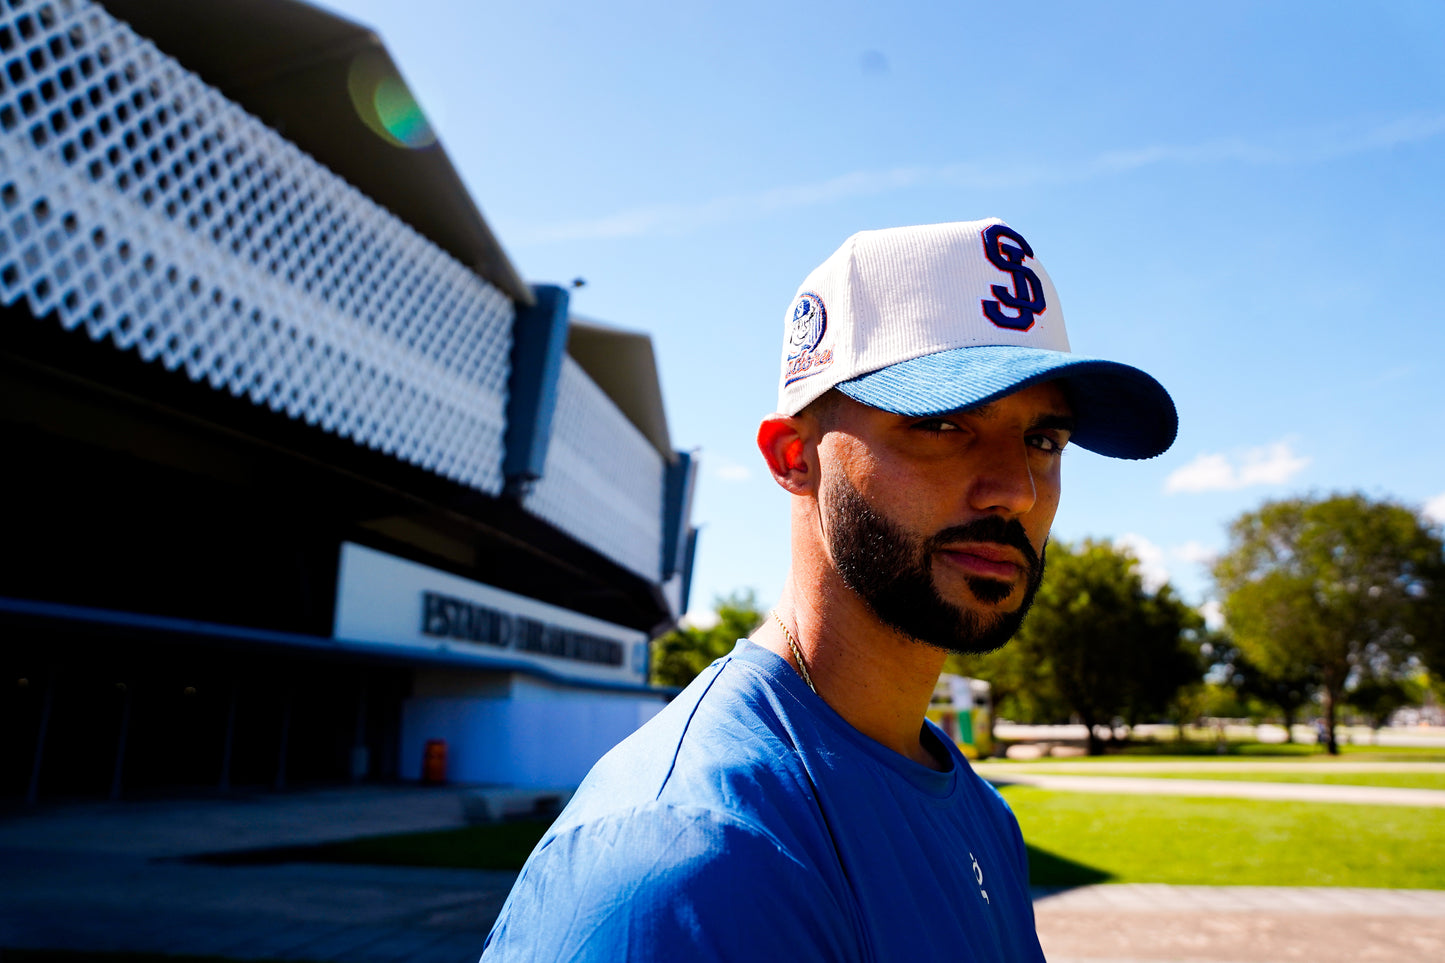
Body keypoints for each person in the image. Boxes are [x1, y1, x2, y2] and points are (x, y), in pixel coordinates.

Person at [481, 218, 1177, 962]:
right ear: (792, 457)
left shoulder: (975, 807)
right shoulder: (690, 856)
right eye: (942, 423)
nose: (1015, 490)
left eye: (1042, 439)